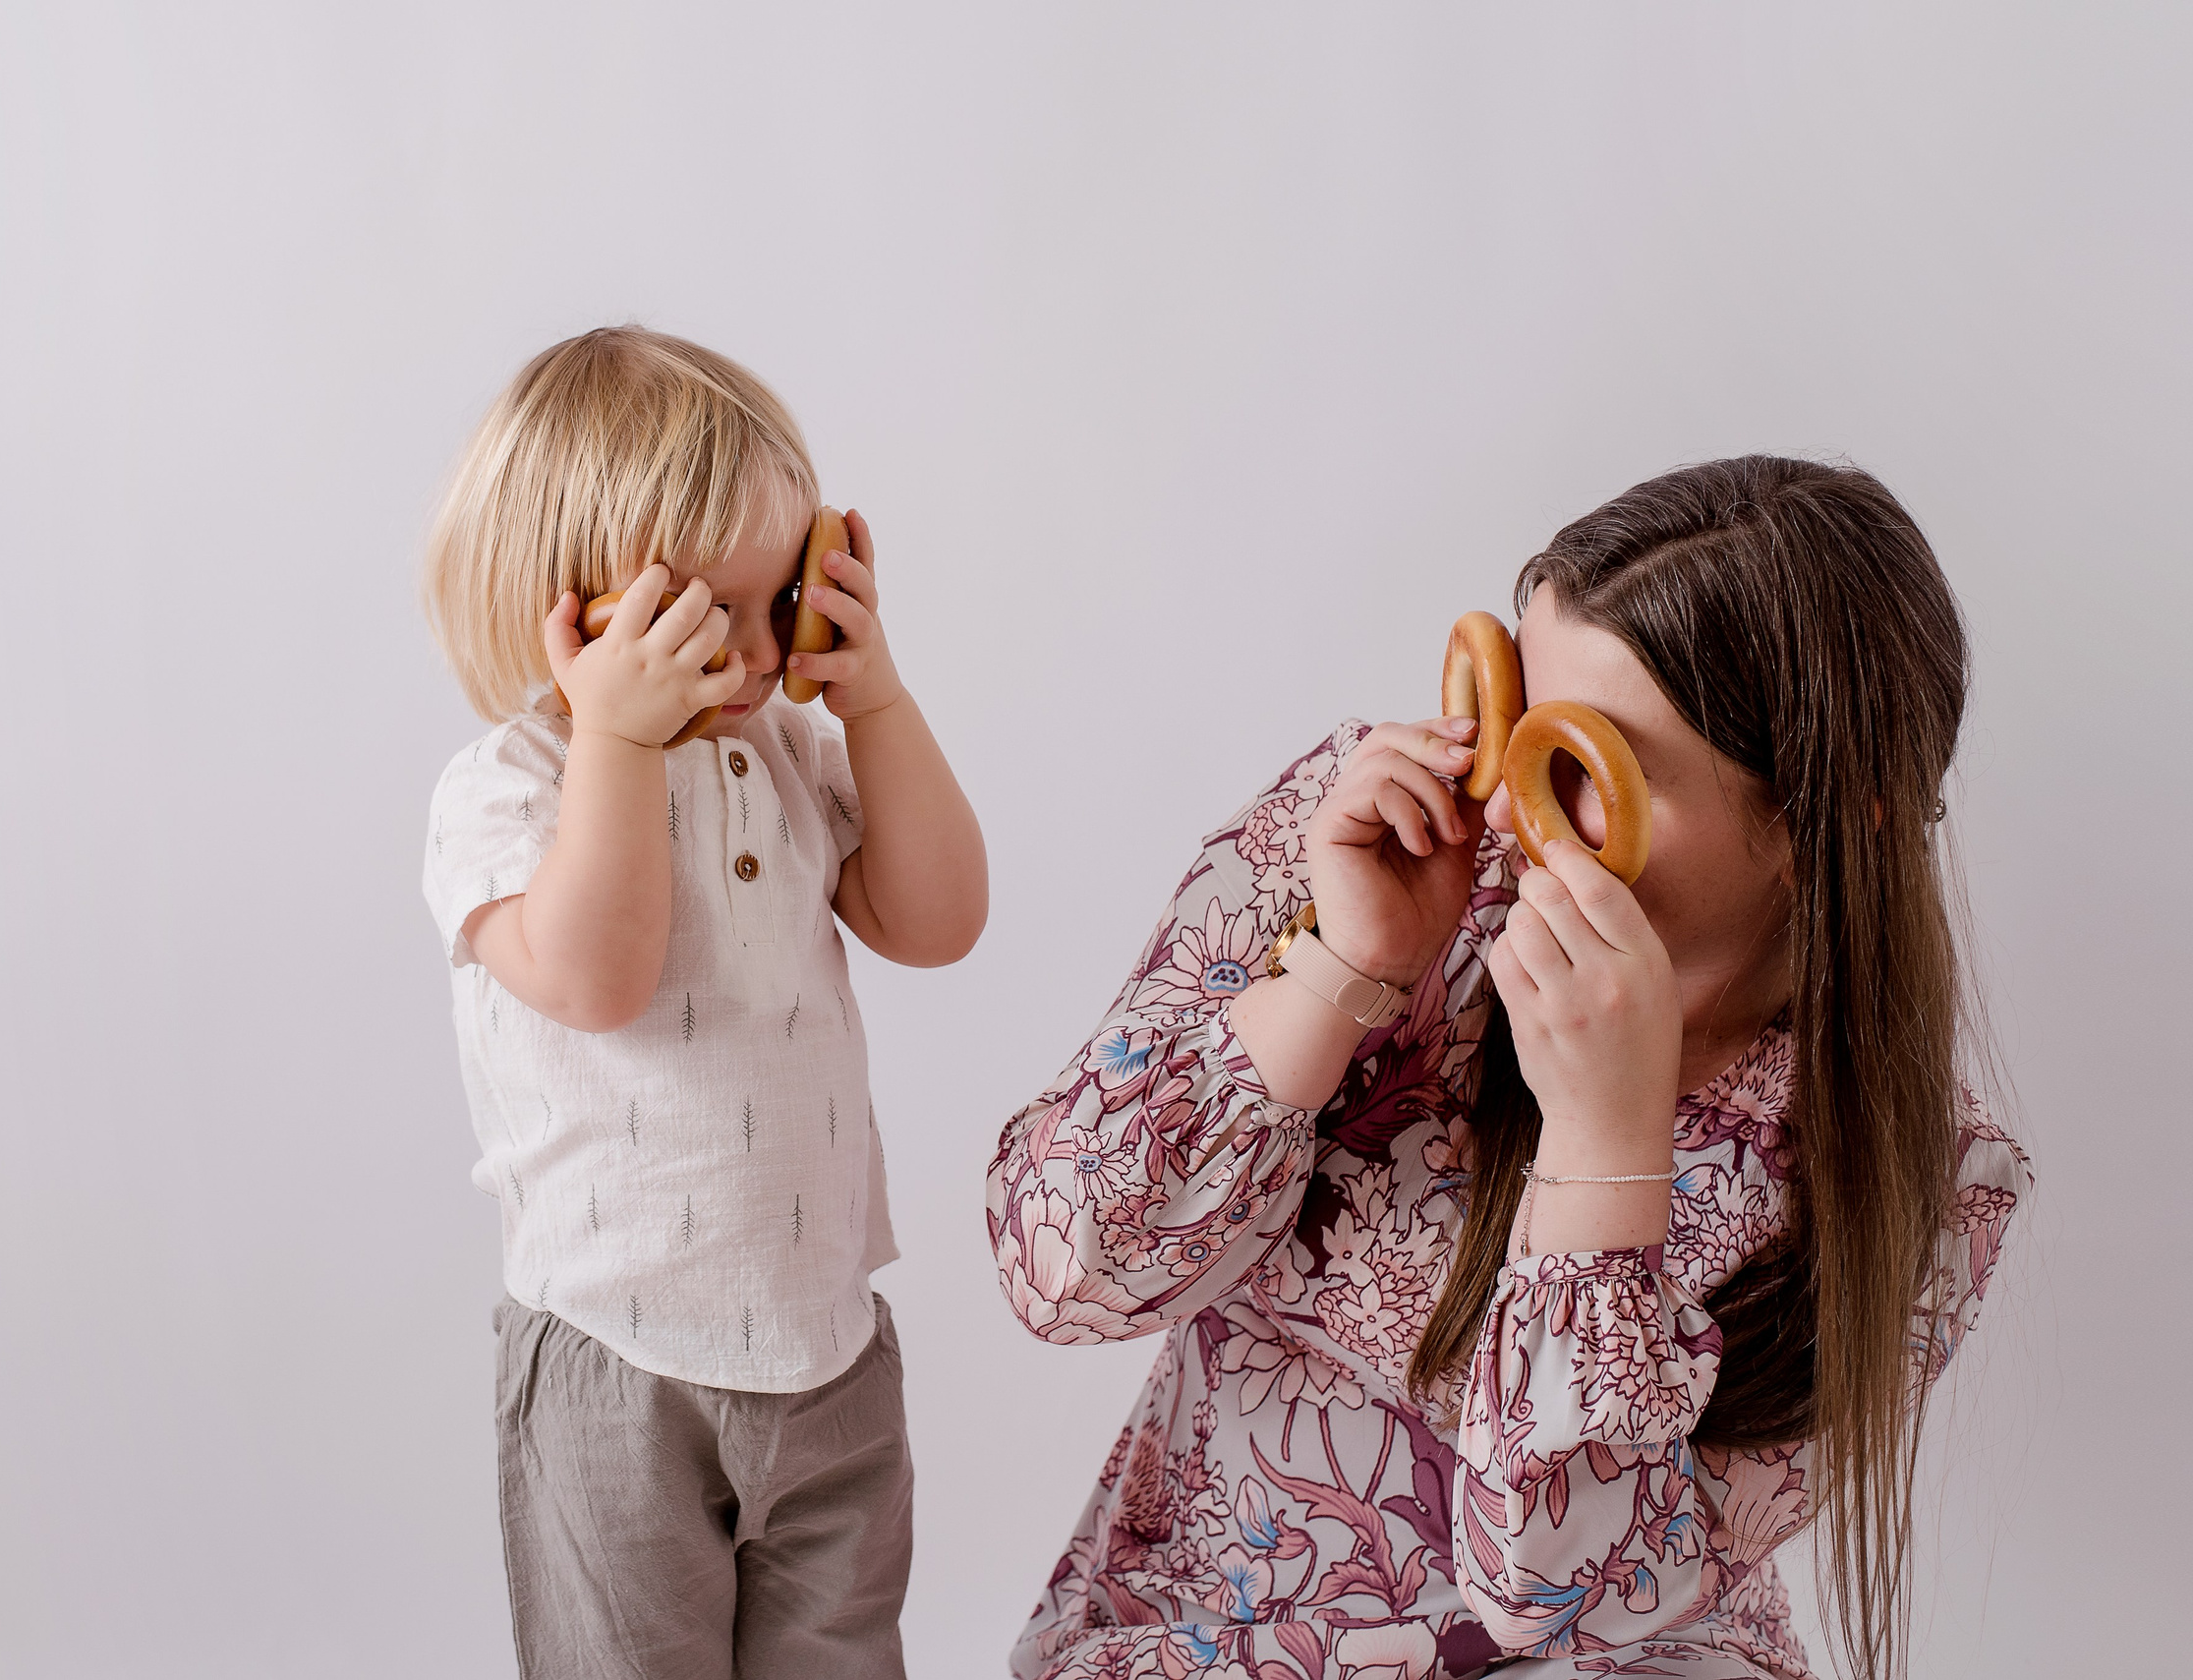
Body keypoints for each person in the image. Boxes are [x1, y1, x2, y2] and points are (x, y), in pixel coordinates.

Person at [987, 457, 2026, 1680]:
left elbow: (1558, 1595)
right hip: (1202, 1639)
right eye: (1512, 722)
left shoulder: (1919, 1172)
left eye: (1583, 769)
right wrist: (1340, 971)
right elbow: (1061, 1272)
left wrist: (1603, 1147)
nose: (1504, 806)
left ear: (1825, 819)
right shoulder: (1358, 842)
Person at [422, 325, 986, 1679]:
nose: (745, 654)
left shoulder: (791, 750)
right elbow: (598, 978)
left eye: (774, 597)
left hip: (826, 1342)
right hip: (619, 1358)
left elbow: (939, 919)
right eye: (695, 614)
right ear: (567, 610)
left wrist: (879, 698)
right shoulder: (509, 789)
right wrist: (614, 737)